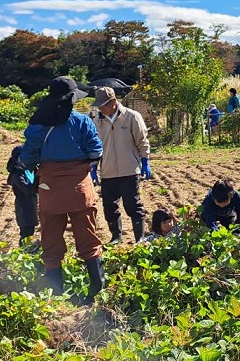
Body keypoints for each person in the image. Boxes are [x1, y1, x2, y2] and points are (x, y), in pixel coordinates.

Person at [20, 76, 105, 302]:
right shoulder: (82, 122)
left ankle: (54, 293)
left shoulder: (38, 126)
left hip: (50, 188)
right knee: (88, 237)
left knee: (51, 238)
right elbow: (96, 151)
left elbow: (27, 157)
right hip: (79, 187)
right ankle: (96, 288)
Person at [91, 86, 151, 244]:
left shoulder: (132, 117)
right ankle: (116, 237)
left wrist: (145, 162)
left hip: (129, 170)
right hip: (108, 171)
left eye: (103, 105)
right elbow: (95, 146)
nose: (101, 109)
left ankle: (140, 237)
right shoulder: (97, 121)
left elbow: (142, 141)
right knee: (110, 207)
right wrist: (93, 168)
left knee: (133, 205)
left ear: (113, 102)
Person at [6, 144, 38, 246]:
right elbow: (28, 189)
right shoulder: (17, 175)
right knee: (26, 233)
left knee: (30, 231)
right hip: (24, 208)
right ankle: (25, 251)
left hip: (30, 206)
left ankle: (27, 250)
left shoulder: (26, 172)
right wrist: (38, 179)